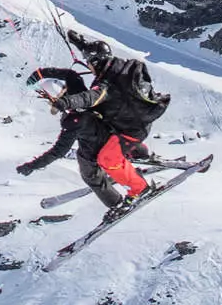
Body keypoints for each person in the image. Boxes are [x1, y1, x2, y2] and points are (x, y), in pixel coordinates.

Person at [17, 31, 173, 212]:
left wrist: (32, 166)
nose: (88, 66)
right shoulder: (116, 69)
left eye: (89, 62)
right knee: (111, 141)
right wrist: (43, 72)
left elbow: (60, 149)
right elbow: (71, 74)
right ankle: (139, 153)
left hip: (128, 132)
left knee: (105, 160)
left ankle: (138, 191)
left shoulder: (90, 102)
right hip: (133, 123)